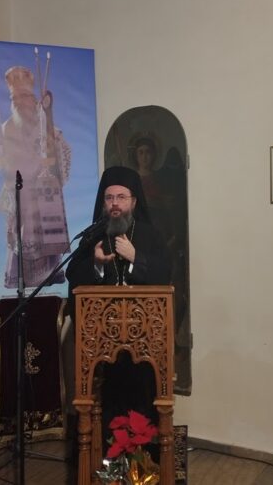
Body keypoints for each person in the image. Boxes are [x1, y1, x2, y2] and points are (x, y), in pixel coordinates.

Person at [64, 166, 171, 456]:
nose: (115, 204)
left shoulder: (150, 235)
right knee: (105, 399)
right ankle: (104, 460)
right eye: (109, 197)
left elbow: (165, 275)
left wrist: (136, 257)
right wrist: (97, 265)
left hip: (143, 342)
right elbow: (73, 277)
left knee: (142, 396)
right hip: (102, 343)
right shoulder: (93, 237)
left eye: (121, 197)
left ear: (134, 202)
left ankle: (143, 461)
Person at [0, 62, 72, 288]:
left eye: (24, 96)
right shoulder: (5, 130)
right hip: (21, 200)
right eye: (14, 98)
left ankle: (49, 278)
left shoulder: (48, 128)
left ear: (34, 99)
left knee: (47, 258)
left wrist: (50, 162)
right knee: (22, 247)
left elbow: (62, 161)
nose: (19, 102)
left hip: (44, 201)